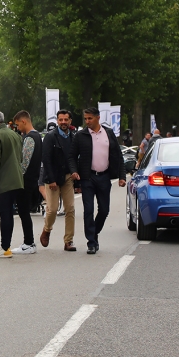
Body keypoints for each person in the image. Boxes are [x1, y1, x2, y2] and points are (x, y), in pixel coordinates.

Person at [68, 107, 125, 254]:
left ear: (98, 118)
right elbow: (72, 156)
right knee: (88, 210)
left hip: (105, 176)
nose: (87, 121)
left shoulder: (109, 133)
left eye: (90, 118)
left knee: (104, 210)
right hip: (88, 177)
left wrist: (122, 176)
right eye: (85, 119)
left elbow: (118, 156)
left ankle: (94, 232)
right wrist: (74, 171)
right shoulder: (81, 136)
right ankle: (91, 243)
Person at [0, 110, 32, 258]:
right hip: (17, 179)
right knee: (16, 213)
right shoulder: (15, 134)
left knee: (5, 214)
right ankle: (22, 242)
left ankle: (5, 247)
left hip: (4, 181)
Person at [40, 109, 77, 251]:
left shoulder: (73, 137)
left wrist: (76, 178)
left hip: (68, 177)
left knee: (70, 209)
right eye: (60, 120)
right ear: (57, 121)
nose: (63, 122)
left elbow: (74, 159)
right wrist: (50, 179)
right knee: (53, 209)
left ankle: (68, 241)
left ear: (70, 121)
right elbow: (46, 159)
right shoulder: (50, 137)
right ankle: (47, 230)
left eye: (66, 120)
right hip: (53, 178)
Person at [14, 111, 43, 217]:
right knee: (26, 214)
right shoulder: (38, 136)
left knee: (24, 214)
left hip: (26, 182)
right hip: (34, 179)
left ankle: (28, 234)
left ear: (23, 121)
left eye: (18, 124)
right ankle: (28, 234)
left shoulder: (30, 138)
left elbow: (24, 162)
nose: (17, 128)